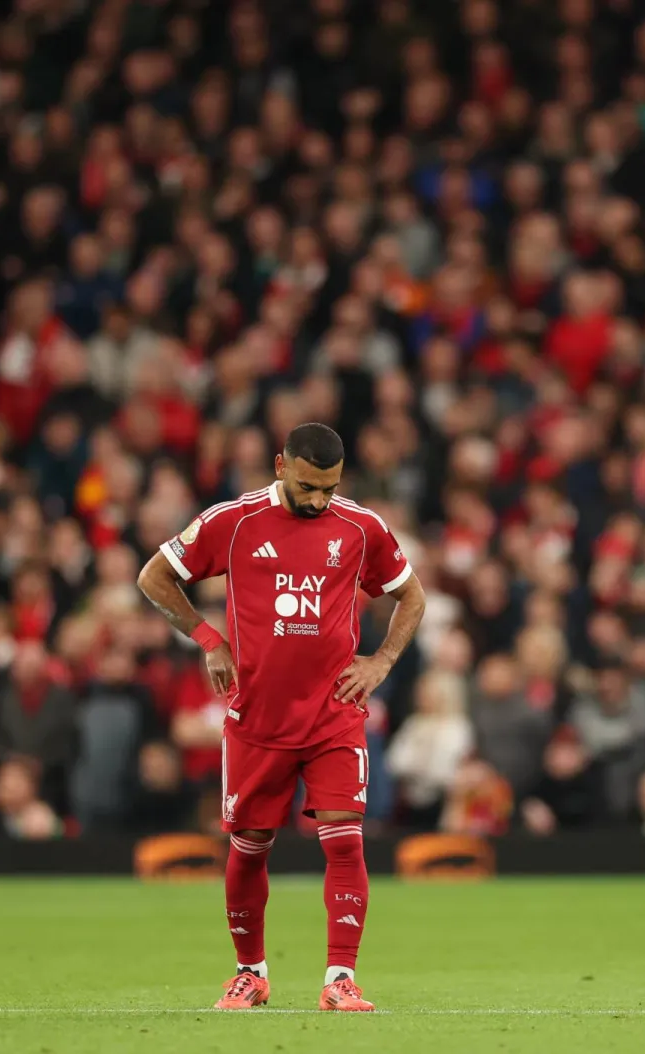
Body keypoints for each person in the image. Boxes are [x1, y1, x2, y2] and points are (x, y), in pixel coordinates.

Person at [136, 422, 426, 1013]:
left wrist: (382, 661)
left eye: (330, 488)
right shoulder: (232, 521)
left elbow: (411, 595)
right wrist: (210, 641)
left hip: (334, 713)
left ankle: (340, 978)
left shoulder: (360, 527)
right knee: (249, 846)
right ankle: (251, 973)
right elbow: (154, 576)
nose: (319, 501)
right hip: (257, 717)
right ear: (279, 466)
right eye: (308, 487)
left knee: (345, 840)